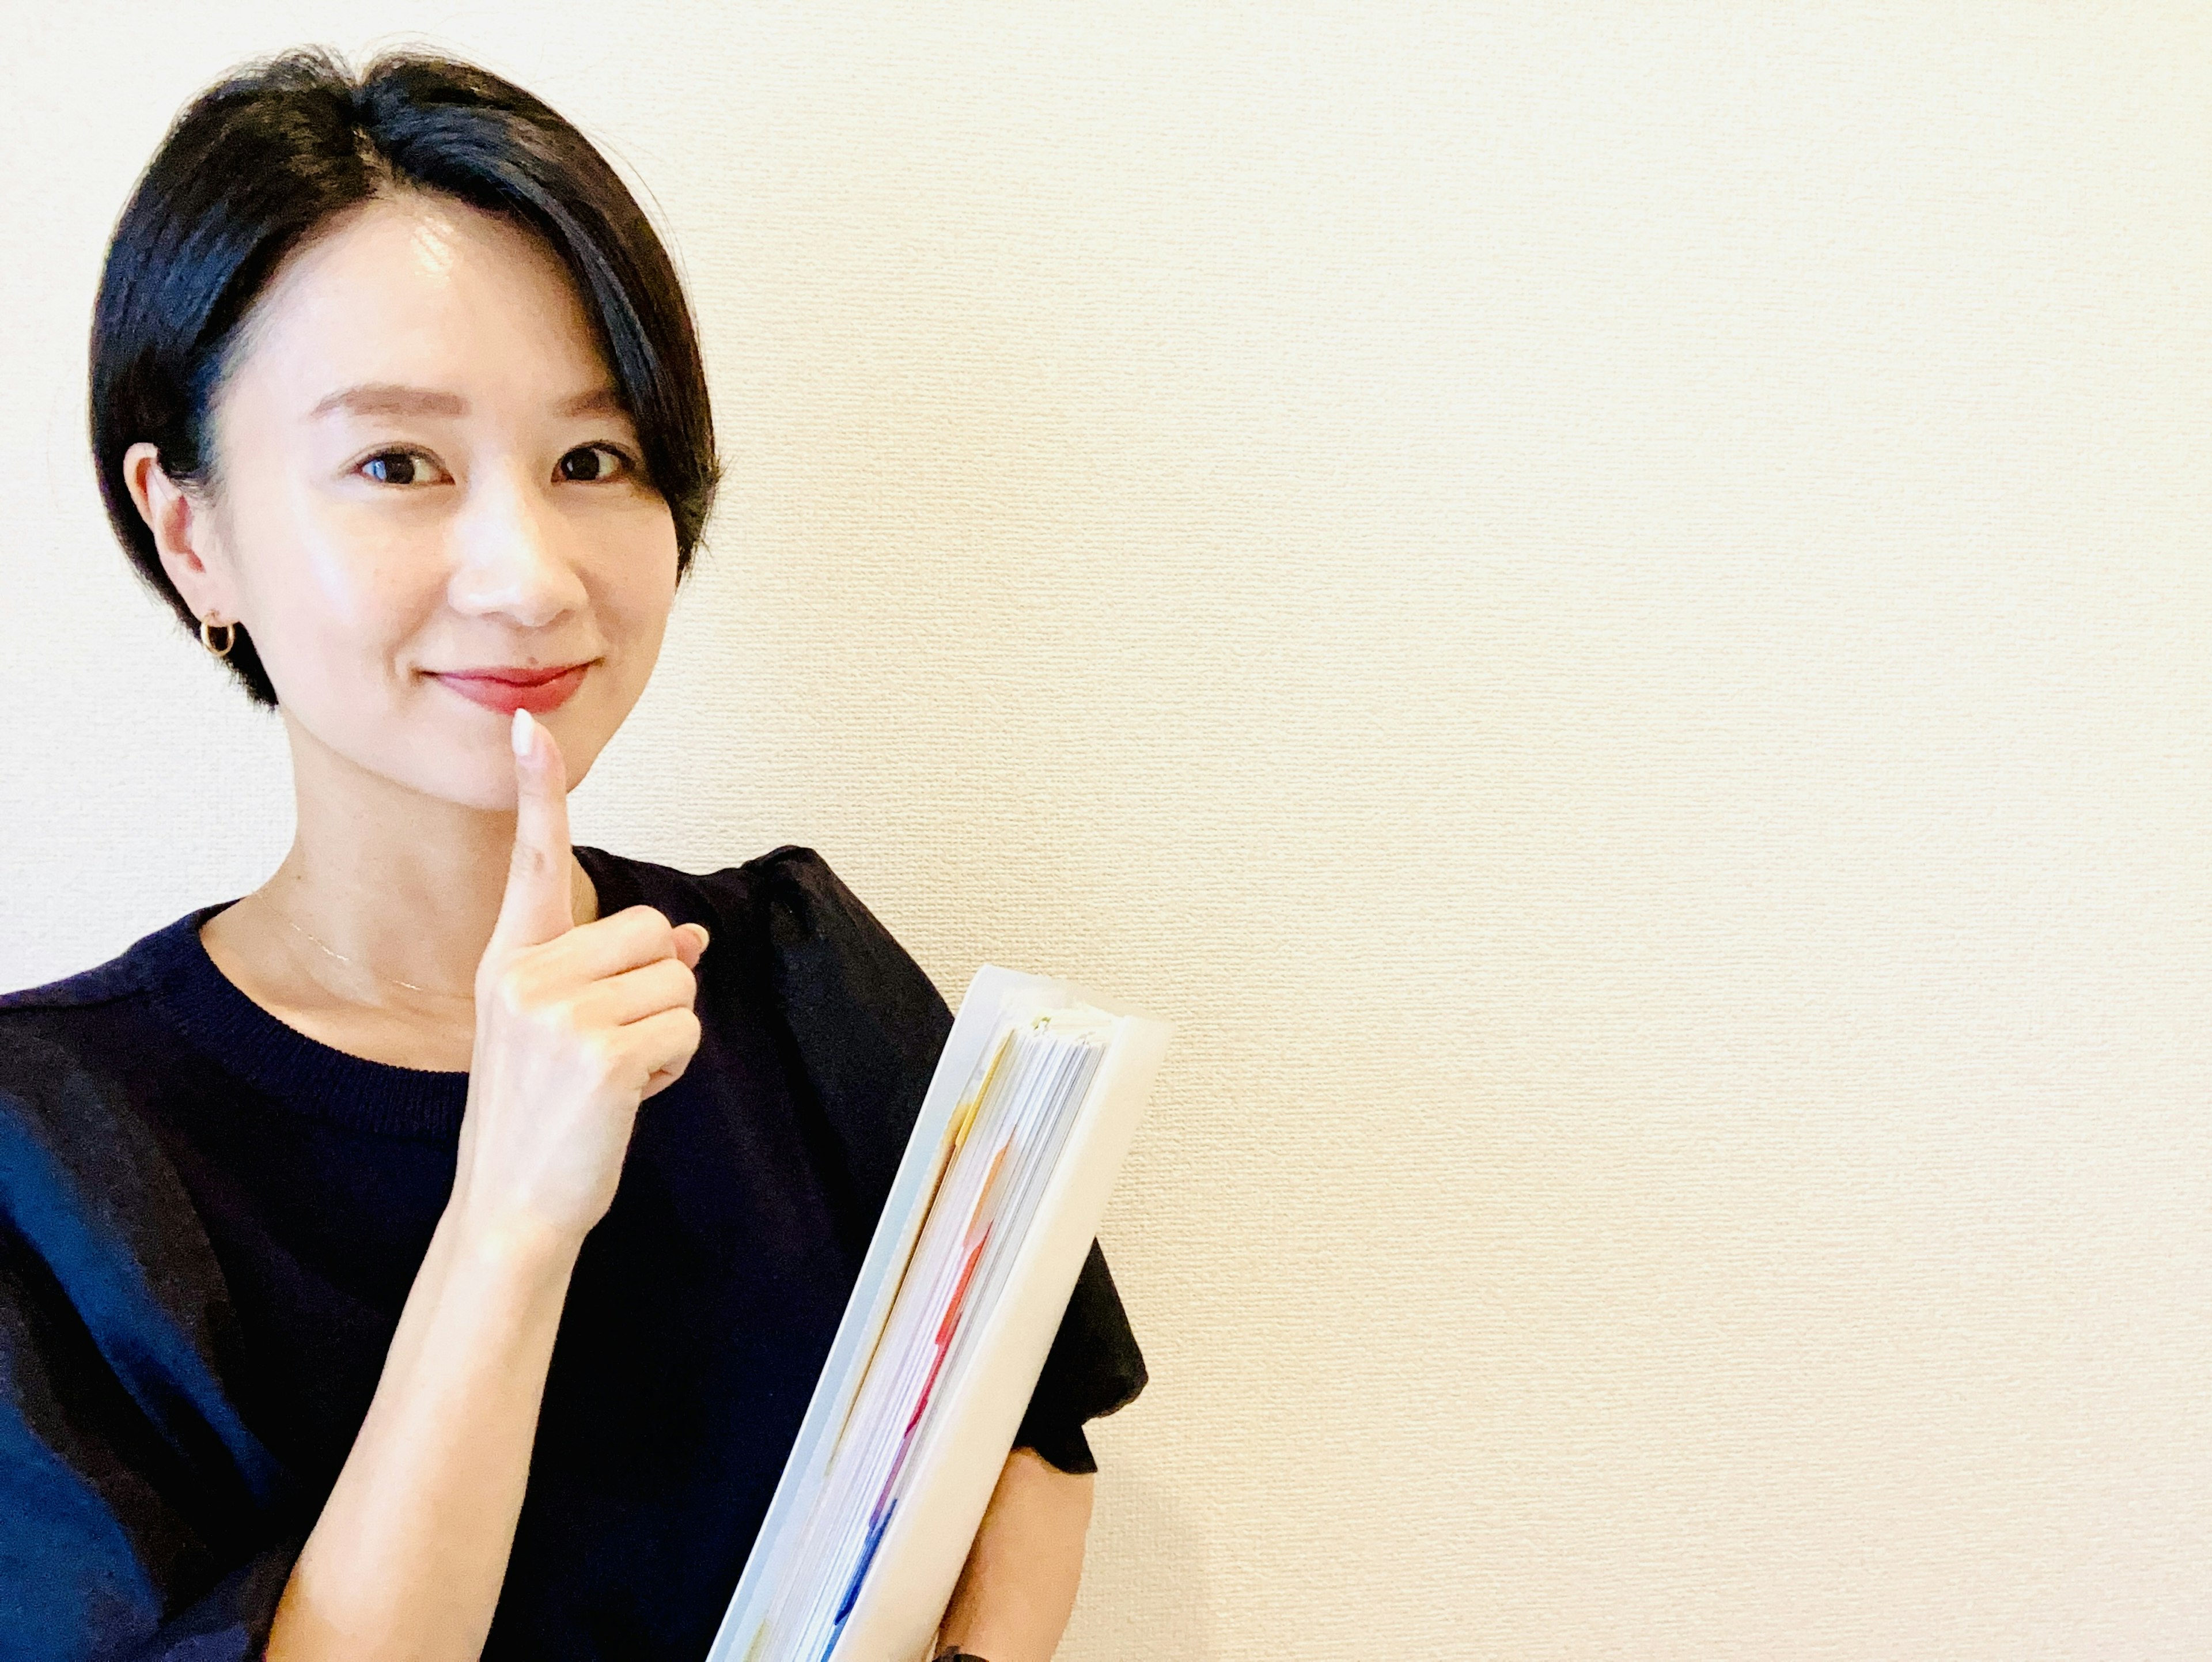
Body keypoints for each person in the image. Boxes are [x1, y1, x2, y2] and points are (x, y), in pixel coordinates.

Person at [0, 47, 1145, 1662]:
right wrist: (510, 1217)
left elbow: (1029, 1435)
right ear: (196, 532)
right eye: (398, 464)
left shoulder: (795, 978)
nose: (529, 576)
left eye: (593, 462)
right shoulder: (47, 1158)